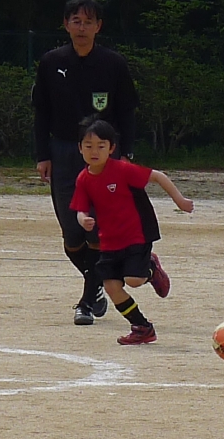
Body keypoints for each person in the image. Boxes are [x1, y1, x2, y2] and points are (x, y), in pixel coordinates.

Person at [33, 0, 139, 326]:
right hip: (64, 152)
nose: (82, 27)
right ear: (66, 24)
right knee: (71, 233)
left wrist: (125, 154)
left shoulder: (113, 64)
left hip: (103, 157)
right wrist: (42, 155)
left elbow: (127, 111)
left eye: (88, 21)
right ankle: (103, 281)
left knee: (96, 230)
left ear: (99, 26)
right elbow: (41, 113)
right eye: (76, 21)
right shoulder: (51, 62)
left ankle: (87, 301)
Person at [70, 119, 193, 345]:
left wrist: (180, 200)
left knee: (134, 280)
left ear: (111, 148)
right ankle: (142, 327)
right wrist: (83, 220)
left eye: (100, 146)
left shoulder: (122, 169)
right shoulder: (83, 179)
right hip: (109, 241)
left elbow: (157, 176)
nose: (94, 151)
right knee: (111, 287)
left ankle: (152, 269)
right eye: (88, 146)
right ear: (79, 148)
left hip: (136, 234)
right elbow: (80, 208)